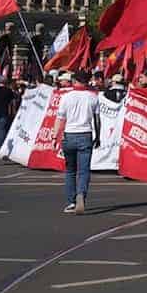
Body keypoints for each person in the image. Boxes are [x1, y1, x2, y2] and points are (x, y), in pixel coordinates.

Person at [54, 69, 99, 215]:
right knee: (84, 170)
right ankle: (81, 194)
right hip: (85, 134)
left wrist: (55, 136)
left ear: (74, 81)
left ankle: (71, 202)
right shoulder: (93, 97)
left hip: (69, 135)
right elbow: (97, 120)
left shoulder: (66, 97)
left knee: (70, 171)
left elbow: (60, 119)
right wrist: (98, 136)